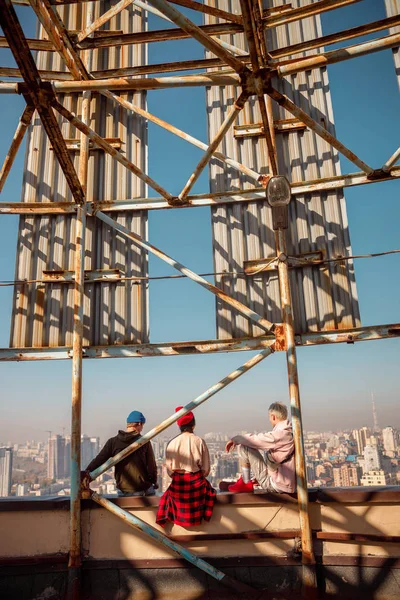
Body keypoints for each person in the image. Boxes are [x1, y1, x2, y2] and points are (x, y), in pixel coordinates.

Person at [156, 407, 216, 527]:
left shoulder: (172, 443)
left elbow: (169, 471)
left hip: (179, 485)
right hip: (197, 486)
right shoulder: (199, 441)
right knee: (211, 493)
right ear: (193, 425)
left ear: (179, 426)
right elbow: (206, 470)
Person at [225, 402, 296, 494]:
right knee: (247, 444)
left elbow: (256, 440)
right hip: (286, 483)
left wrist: (237, 439)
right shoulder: (290, 432)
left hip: (279, 485)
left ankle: (245, 482)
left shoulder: (280, 435)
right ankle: (246, 481)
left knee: (245, 446)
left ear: (273, 417)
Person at [84, 410, 158, 497]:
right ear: (139, 424)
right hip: (141, 488)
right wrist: (154, 481)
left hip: (123, 489)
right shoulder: (144, 442)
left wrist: (86, 473)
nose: (142, 429)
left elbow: (99, 460)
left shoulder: (113, 442)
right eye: (142, 426)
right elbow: (151, 466)